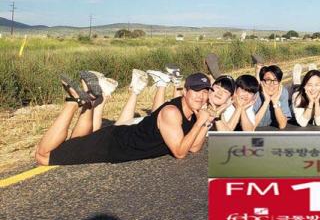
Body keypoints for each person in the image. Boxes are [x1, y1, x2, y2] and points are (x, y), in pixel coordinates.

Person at [36, 72, 214, 165]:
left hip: (117, 141)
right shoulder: (172, 112)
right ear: (185, 91)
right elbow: (180, 153)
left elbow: (193, 147)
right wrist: (200, 122)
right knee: (43, 157)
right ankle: (73, 102)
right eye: (196, 90)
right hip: (112, 145)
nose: (201, 96)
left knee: (76, 141)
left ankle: (89, 101)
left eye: (205, 92)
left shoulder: (194, 113)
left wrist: (205, 123)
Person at [244, 65, 292, 130]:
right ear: (261, 82)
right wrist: (266, 102)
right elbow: (250, 128)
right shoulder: (253, 94)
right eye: (268, 80)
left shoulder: (282, 92)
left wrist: (275, 102)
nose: (272, 84)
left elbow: (282, 125)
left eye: (275, 80)